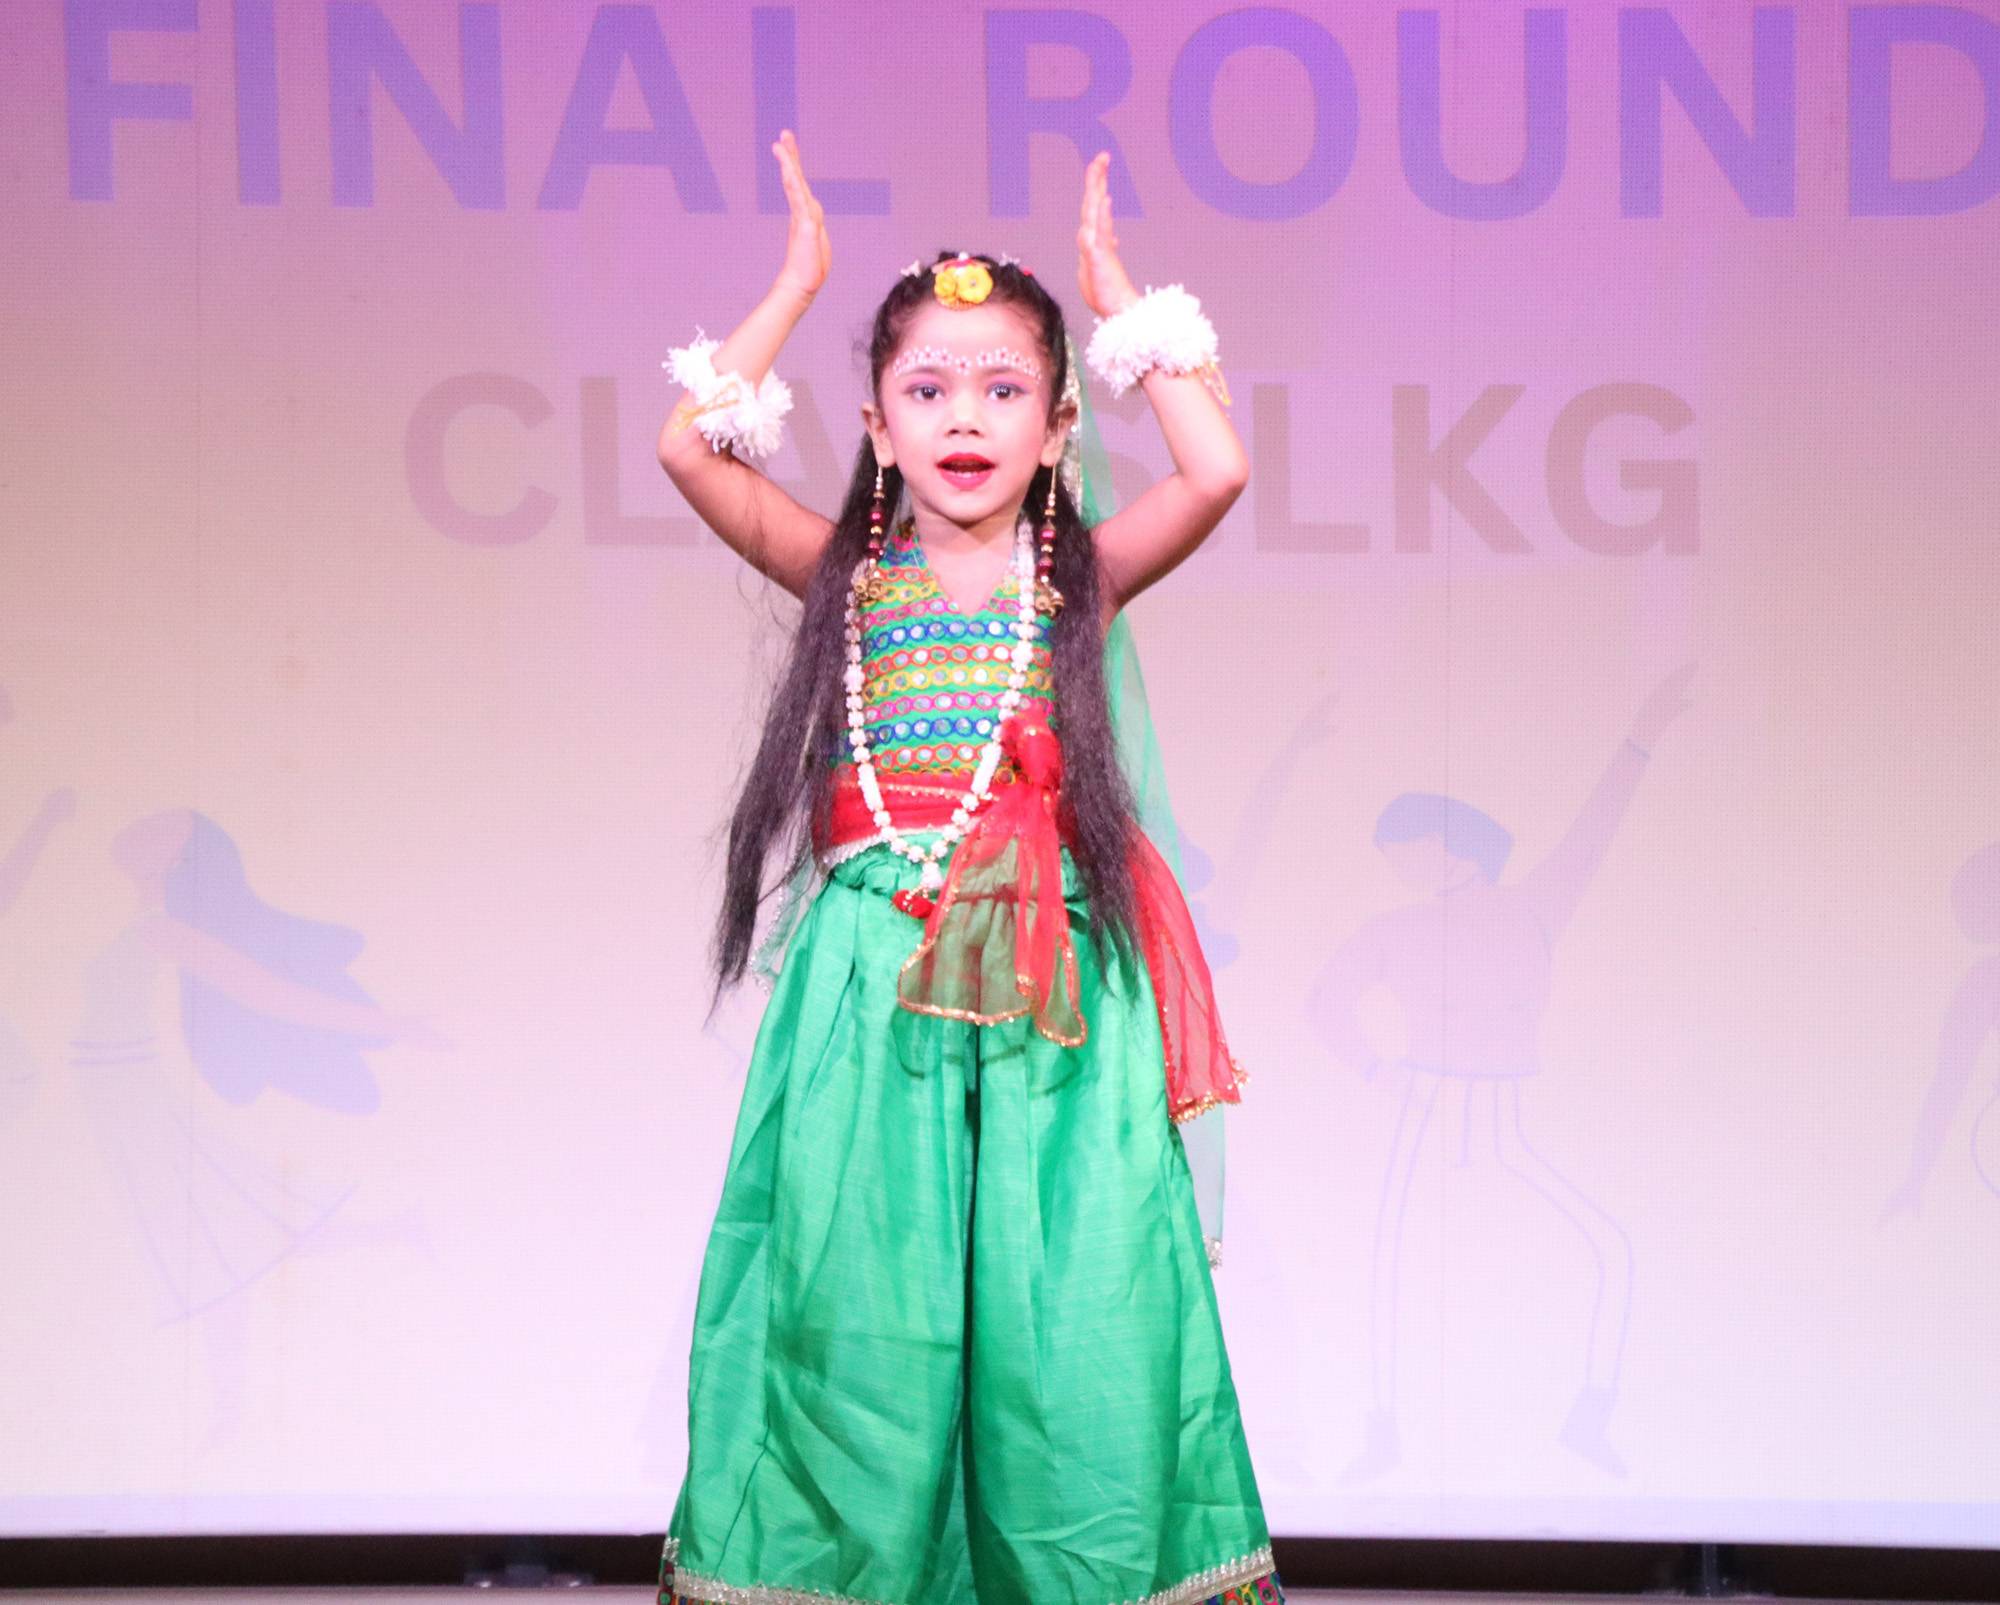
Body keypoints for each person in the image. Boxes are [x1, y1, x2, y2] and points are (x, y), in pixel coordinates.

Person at [651, 130, 1282, 1605]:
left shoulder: (1080, 579)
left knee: (1073, 1314)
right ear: (878, 429)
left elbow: (1218, 465)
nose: (964, 419)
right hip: (873, 991)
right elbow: (689, 449)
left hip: (1052, 995)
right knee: (858, 1312)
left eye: (1004, 391)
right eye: (927, 391)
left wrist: (1117, 301)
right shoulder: (843, 579)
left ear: (1058, 430)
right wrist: (795, 284)